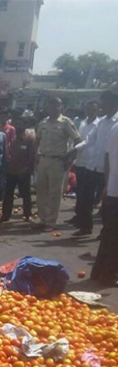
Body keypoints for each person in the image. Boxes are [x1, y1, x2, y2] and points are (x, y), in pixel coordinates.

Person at [35, 97, 83, 230]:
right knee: (41, 191)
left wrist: (71, 158)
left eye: (57, 107)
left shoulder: (66, 122)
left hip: (58, 160)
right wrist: (35, 156)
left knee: (54, 193)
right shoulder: (43, 122)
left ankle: (51, 222)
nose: (53, 109)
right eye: (51, 106)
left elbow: (78, 141)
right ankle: (42, 219)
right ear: (47, 108)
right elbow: (37, 140)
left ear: (61, 108)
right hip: (43, 159)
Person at [79, 89, 118, 236]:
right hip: (93, 166)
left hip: (109, 170)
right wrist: (74, 150)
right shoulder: (101, 122)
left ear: (114, 103)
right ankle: (86, 227)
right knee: (86, 198)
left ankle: (105, 231)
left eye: (105, 103)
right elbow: (89, 140)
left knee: (107, 203)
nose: (102, 107)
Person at [91, 114, 118, 285]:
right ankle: (109, 274)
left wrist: (108, 184)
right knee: (113, 235)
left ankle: (100, 272)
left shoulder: (115, 126)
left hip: (113, 187)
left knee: (110, 233)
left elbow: (107, 157)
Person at [71, 101, 100, 235]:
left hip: (91, 163)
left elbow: (88, 141)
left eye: (93, 109)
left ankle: (86, 225)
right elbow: (78, 139)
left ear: (97, 110)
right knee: (79, 192)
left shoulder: (99, 124)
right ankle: (79, 217)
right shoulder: (82, 123)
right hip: (81, 161)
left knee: (87, 195)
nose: (90, 111)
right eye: (88, 109)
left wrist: (73, 150)